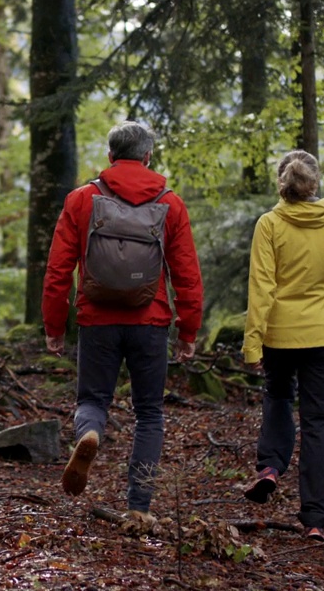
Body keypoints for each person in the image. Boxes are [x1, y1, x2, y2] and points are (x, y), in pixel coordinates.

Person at [43, 120, 204, 524]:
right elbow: (187, 274)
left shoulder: (81, 199)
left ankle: (89, 434)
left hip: (97, 318)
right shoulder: (171, 204)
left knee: (92, 400)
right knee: (149, 413)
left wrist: (54, 325)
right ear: (148, 157)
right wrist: (188, 330)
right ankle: (138, 506)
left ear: (110, 157)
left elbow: (58, 270)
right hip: (150, 321)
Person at [240, 149, 324, 542]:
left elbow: (262, 287)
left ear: (282, 182)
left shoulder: (270, 224)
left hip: (280, 334)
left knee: (278, 396)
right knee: (318, 424)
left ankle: (271, 466)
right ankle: (315, 519)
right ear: (315, 184)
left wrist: (252, 343)